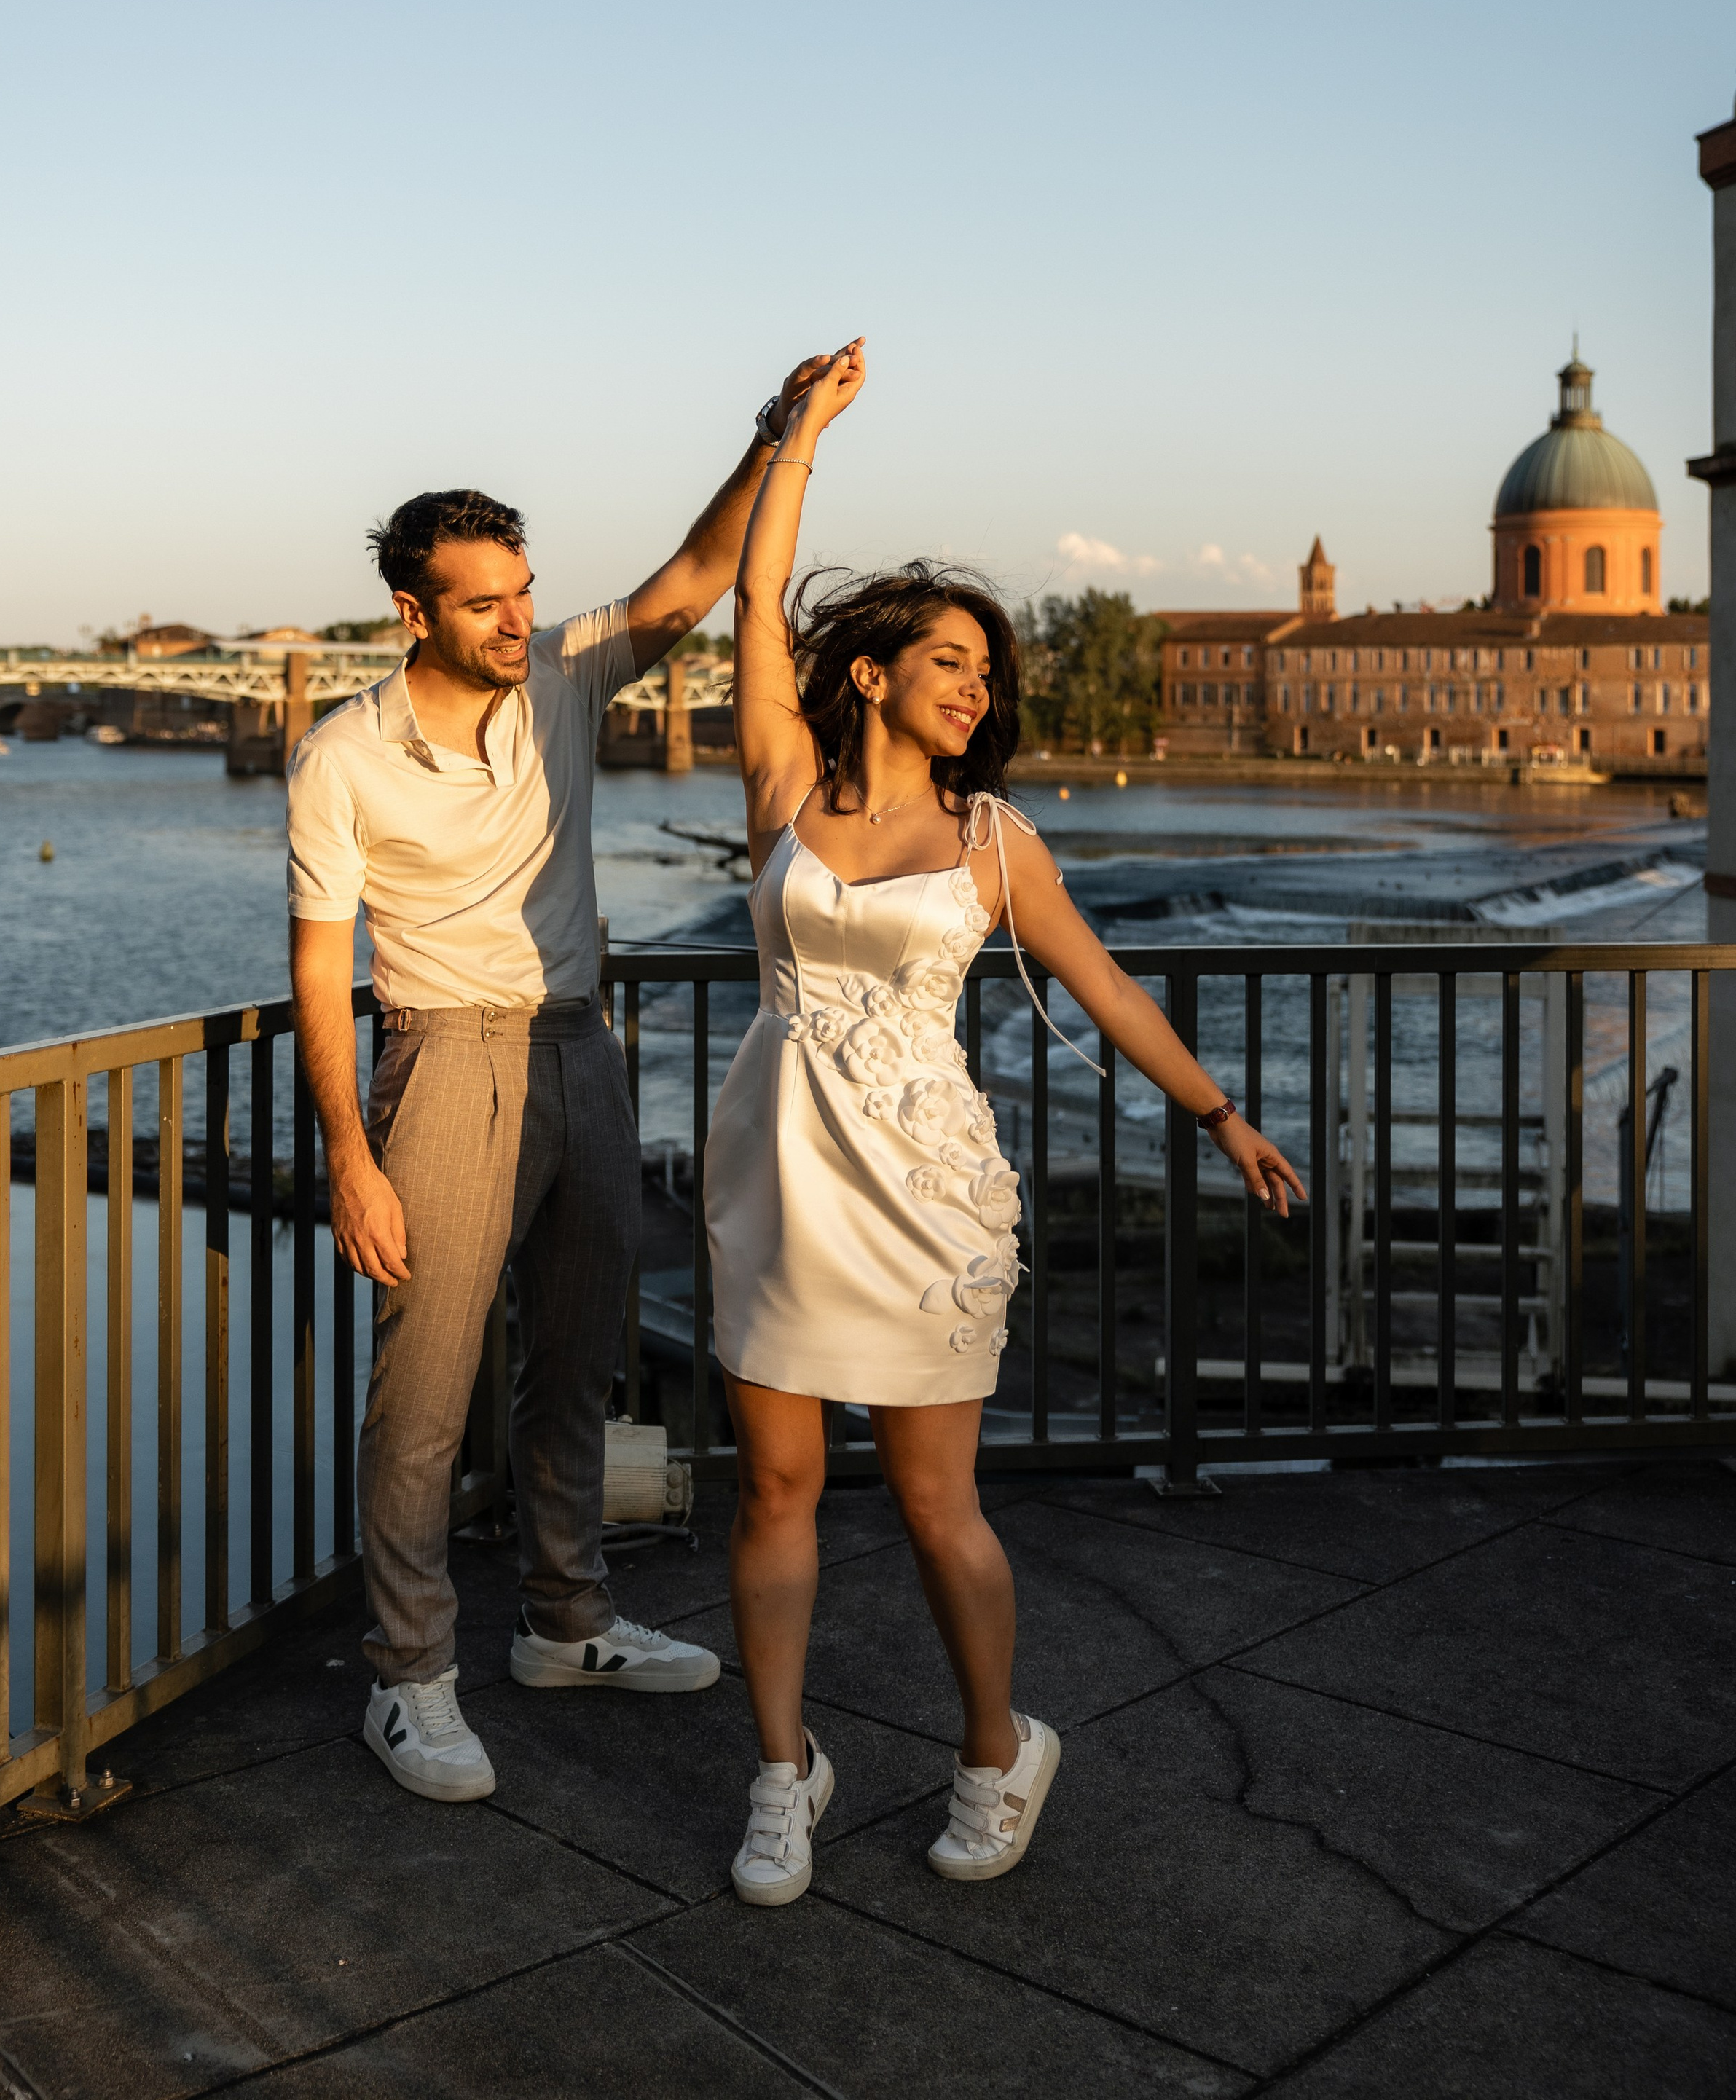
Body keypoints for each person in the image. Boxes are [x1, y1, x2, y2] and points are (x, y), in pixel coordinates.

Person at [707, 342, 1305, 1903]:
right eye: (949, 661)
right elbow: (755, 602)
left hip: (923, 1195)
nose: (976, 688)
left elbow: (1104, 990)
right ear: (870, 675)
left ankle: (996, 1748)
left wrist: (1221, 1116)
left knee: (933, 1504)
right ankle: (781, 1773)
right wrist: (799, 435)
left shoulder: (991, 842)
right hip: (776, 1178)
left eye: (987, 671)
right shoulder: (781, 786)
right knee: (773, 1490)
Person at [288, 357, 825, 1804]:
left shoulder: (566, 674)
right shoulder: (343, 757)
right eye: (485, 603)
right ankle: (408, 1679)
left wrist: (773, 438)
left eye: (524, 591)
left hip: (582, 1045)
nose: (519, 620)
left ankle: (564, 1620)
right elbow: (319, 967)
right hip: (443, 1059)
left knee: (579, 1356)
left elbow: (693, 581)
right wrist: (348, 1154)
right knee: (424, 1394)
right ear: (413, 612)